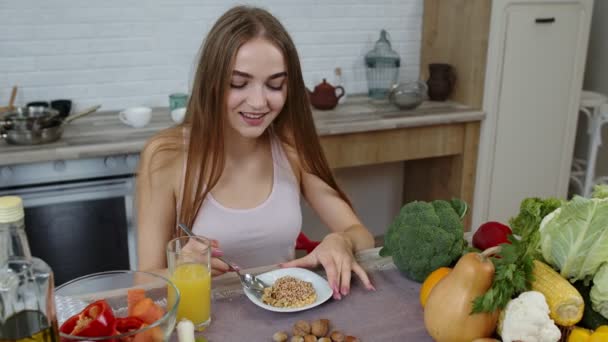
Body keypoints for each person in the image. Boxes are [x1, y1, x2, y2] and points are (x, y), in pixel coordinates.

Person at [135, 5, 375, 299]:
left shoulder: (291, 148)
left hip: (285, 316)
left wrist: (341, 241)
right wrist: (182, 268)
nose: (259, 102)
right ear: (211, 83)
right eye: (239, 83)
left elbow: (361, 235)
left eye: (275, 85)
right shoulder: (165, 155)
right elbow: (143, 281)